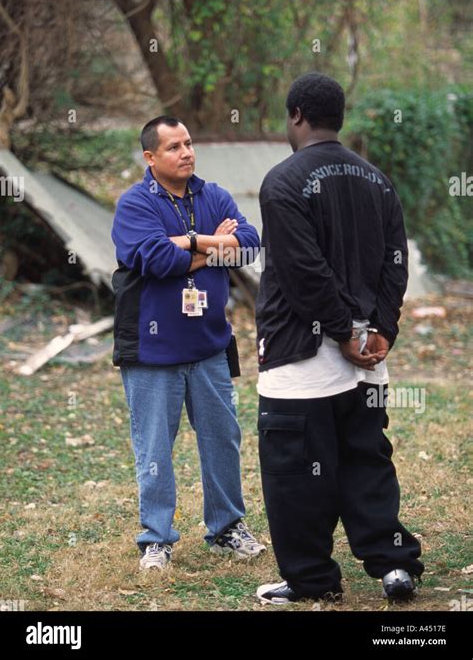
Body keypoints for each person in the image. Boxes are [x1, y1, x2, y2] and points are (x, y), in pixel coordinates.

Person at [255, 72, 424, 605]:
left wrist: (344, 334)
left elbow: (305, 273)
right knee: (366, 460)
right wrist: (382, 331)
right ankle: (396, 568)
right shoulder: (379, 180)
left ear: (297, 116)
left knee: (296, 472)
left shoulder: (282, 182)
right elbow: (395, 265)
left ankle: (312, 581)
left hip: (302, 359)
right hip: (369, 358)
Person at [111, 116, 265, 570]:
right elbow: (155, 258)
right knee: (155, 448)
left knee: (222, 439)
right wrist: (213, 242)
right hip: (152, 351)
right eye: (174, 147)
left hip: (209, 347)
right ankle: (156, 539)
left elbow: (250, 245)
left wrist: (190, 244)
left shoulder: (212, 194)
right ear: (150, 157)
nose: (186, 152)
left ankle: (226, 528)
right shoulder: (135, 203)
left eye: (189, 143)